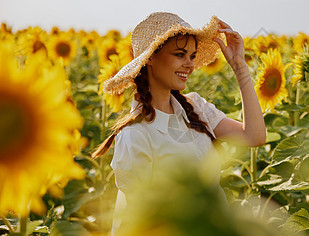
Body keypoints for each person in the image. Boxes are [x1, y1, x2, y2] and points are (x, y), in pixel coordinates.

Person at [91, 12, 266, 234]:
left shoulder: (195, 107)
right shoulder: (135, 134)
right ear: (150, 58)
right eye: (180, 54)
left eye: (192, 56)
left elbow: (254, 136)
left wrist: (240, 67)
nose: (189, 65)